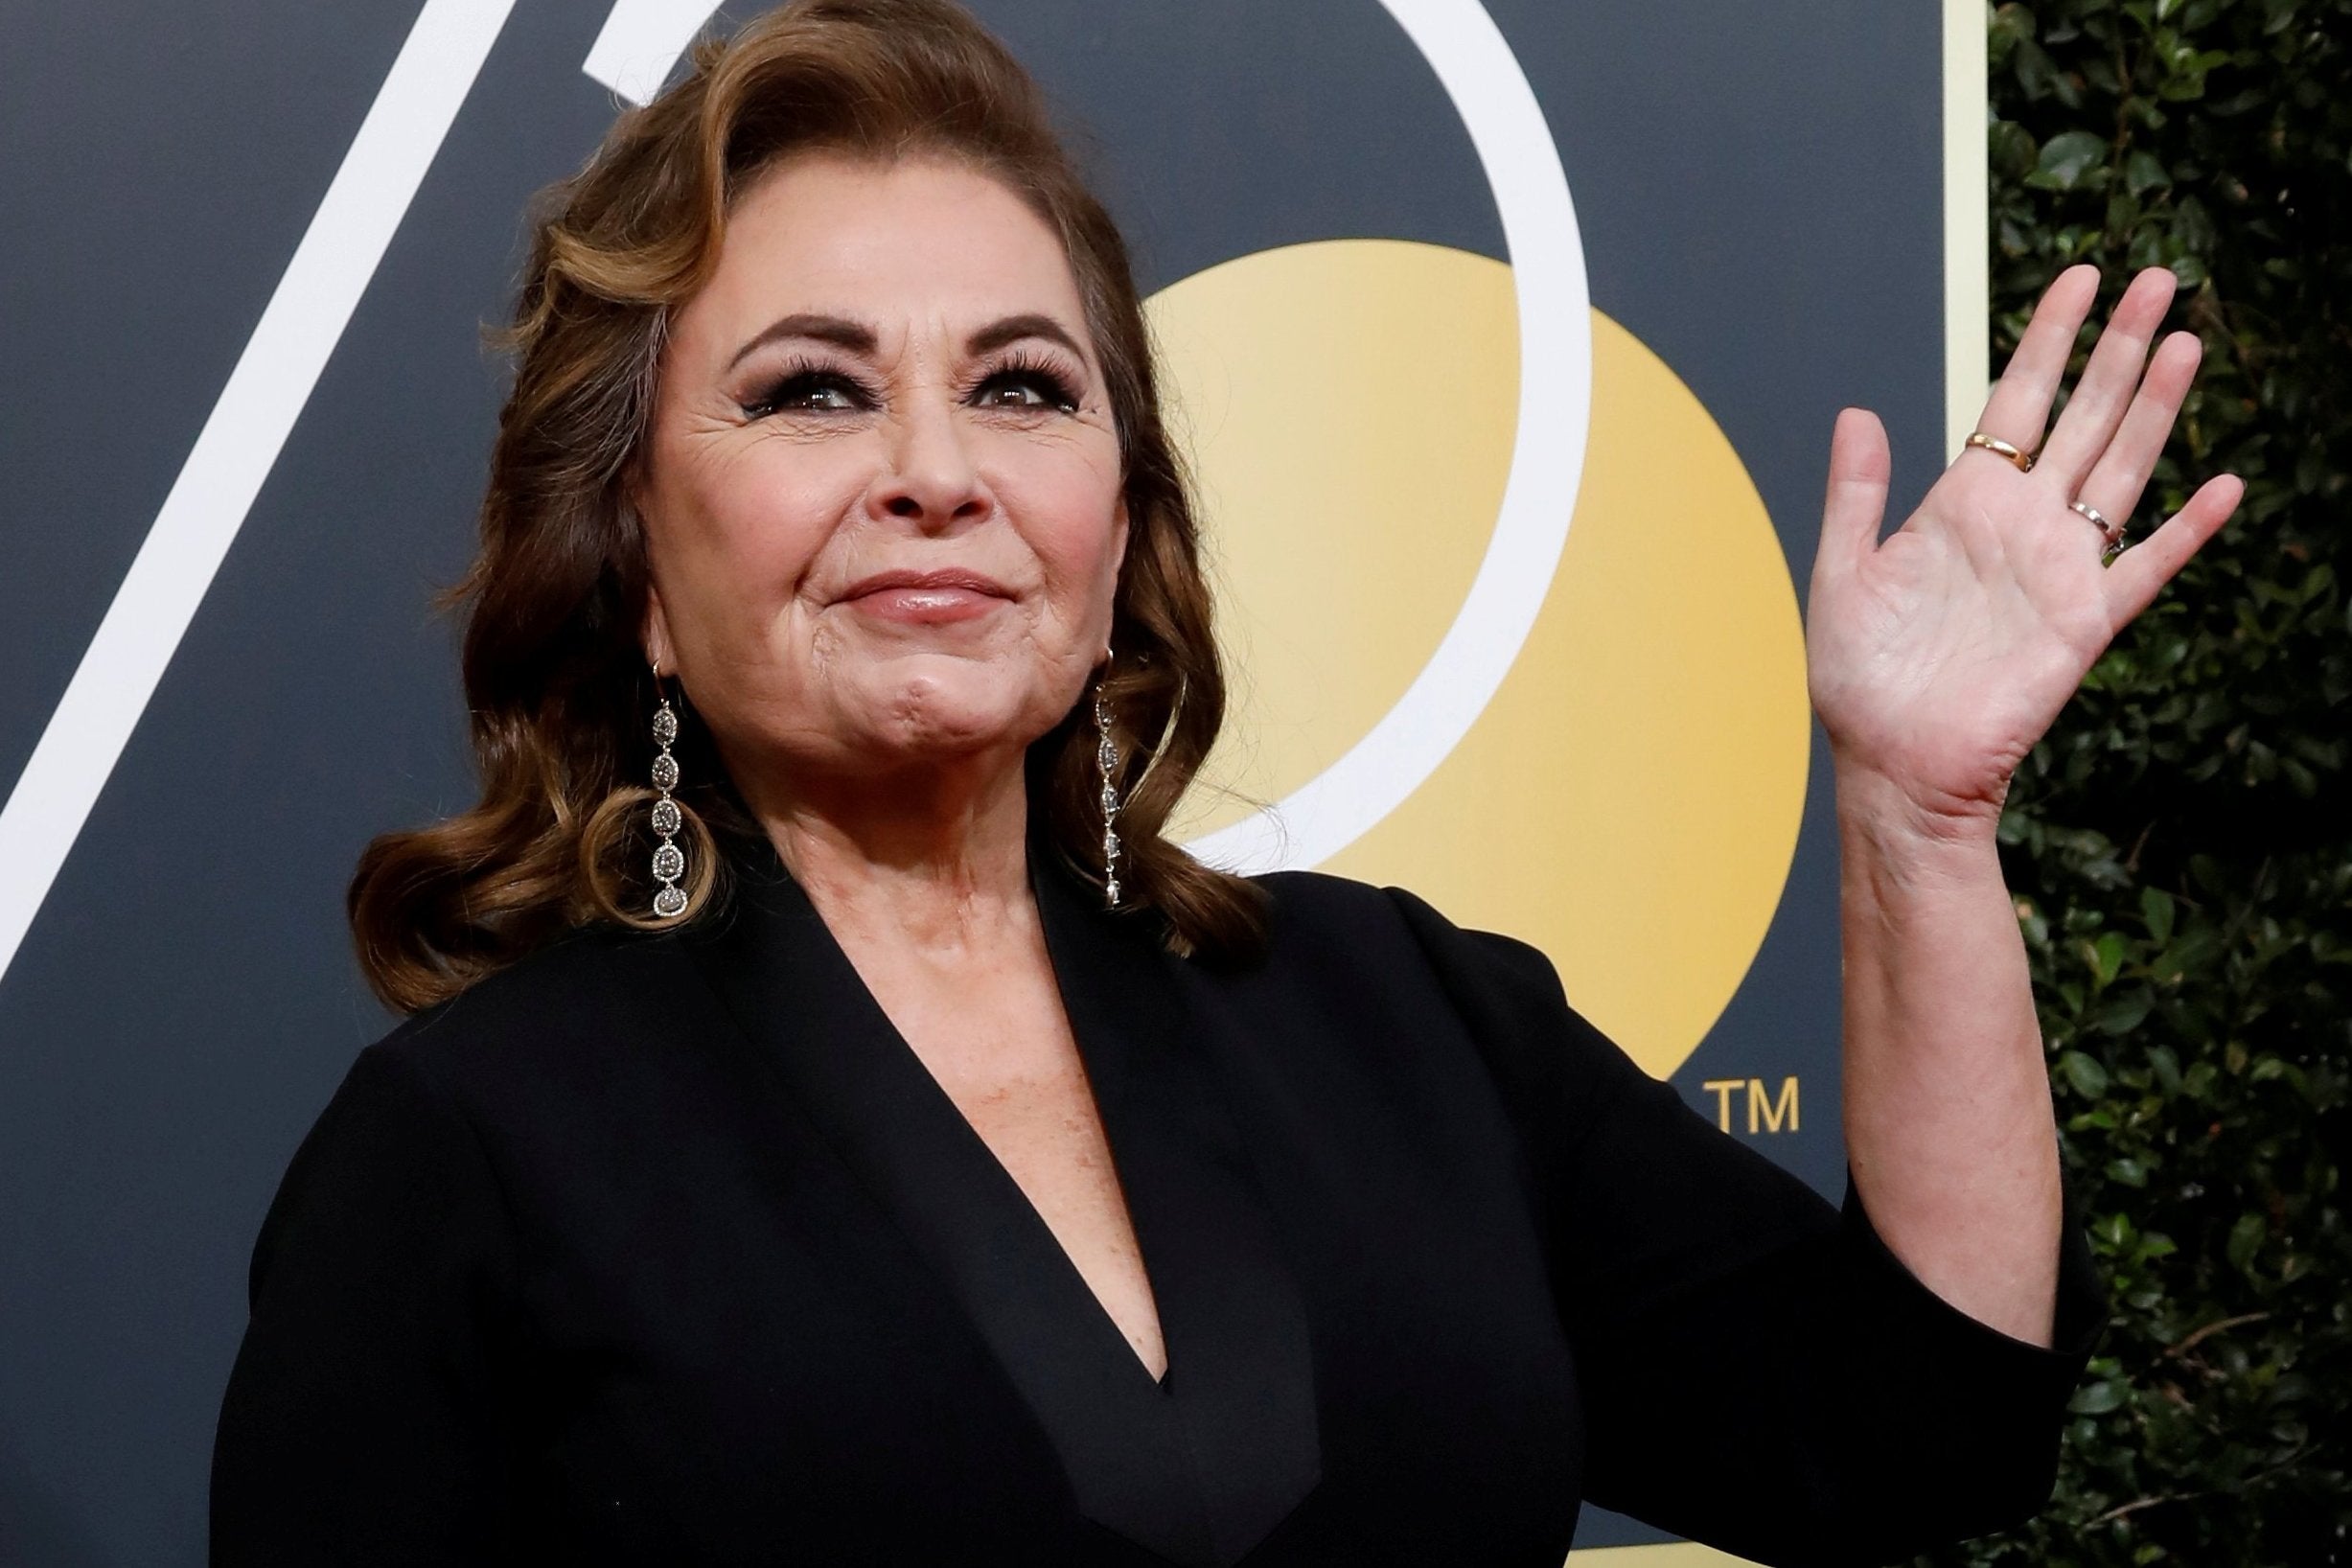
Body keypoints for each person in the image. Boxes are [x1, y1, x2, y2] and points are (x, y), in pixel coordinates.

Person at [208, 1, 2245, 1563]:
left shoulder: (1411, 1022)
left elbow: (1918, 1428)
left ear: (1115, 531)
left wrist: (1913, 821)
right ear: (637, 561)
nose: (941, 469)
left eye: (1024, 384)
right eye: (813, 388)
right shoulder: (466, 1155)